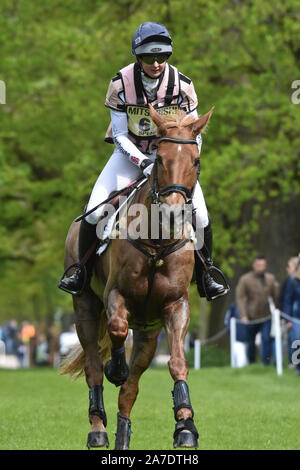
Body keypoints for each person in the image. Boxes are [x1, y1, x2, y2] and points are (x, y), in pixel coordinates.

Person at [58, 22, 227, 301]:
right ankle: (82, 273)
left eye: (162, 57)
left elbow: (195, 133)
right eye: (149, 57)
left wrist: (184, 161)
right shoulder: (119, 84)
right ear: (138, 57)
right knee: (92, 212)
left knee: (202, 215)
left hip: (171, 162)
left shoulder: (184, 86)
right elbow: (120, 136)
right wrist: (144, 162)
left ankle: (205, 275)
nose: (156, 63)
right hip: (129, 155)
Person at [236, 255, 279, 365]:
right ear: (254, 265)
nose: (261, 268)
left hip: (266, 316)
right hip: (251, 317)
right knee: (251, 342)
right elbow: (240, 298)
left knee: (266, 338)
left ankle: (266, 363)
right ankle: (252, 362)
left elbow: (276, 297)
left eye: (263, 265)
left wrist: (277, 310)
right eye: (258, 265)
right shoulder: (245, 279)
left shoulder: (270, 279)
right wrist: (243, 315)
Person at [278, 256, 298, 367]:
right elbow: (285, 300)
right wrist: (286, 317)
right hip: (293, 316)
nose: (287, 269)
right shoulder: (289, 281)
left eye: (289, 266)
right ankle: (295, 364)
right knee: (294, 340)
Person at [282, 258, 300, 376]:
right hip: (295, 318)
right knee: (297, 341)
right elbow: (287, 301)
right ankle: (298, 367)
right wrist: (287, 319)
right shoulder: (292, 281)